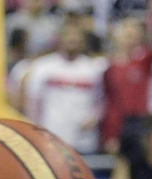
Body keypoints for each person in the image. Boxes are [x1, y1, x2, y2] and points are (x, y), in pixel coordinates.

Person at [14, 18, 107, 154]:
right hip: (51, 139)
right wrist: (34, 134)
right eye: (68, 34)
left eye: (76, 35)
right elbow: (32, 104)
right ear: (59, 38)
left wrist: (95, 117)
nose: (72, 39)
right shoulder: (42, 67)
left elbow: (102, 100)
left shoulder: (94, 69)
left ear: (83, 40)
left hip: (84, 141)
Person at [101, 17, 152, 151]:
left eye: (134, 34)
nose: (130, 38)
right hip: (118, 121)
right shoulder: (107, 66)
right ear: (116, 37)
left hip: (141, 121)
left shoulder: (144, 60)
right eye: (126, 34)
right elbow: (110, 102)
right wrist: (110, 134)